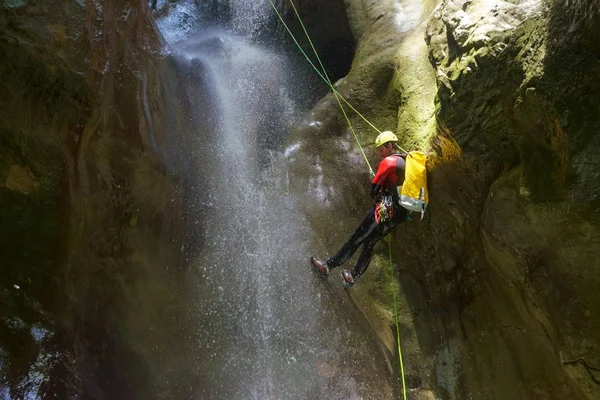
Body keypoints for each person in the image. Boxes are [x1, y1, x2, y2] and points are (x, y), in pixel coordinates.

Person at [310, 131, 407, 287]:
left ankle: (328, 266)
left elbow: (374, 189)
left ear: (389, 146)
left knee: (357, 237)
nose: (379, 153)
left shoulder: (389, 162)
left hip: (386, 207)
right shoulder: (405, 160)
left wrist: (376, 185)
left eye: (381, 149)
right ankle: (353, 276)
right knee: (370, 241)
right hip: (400, 213)